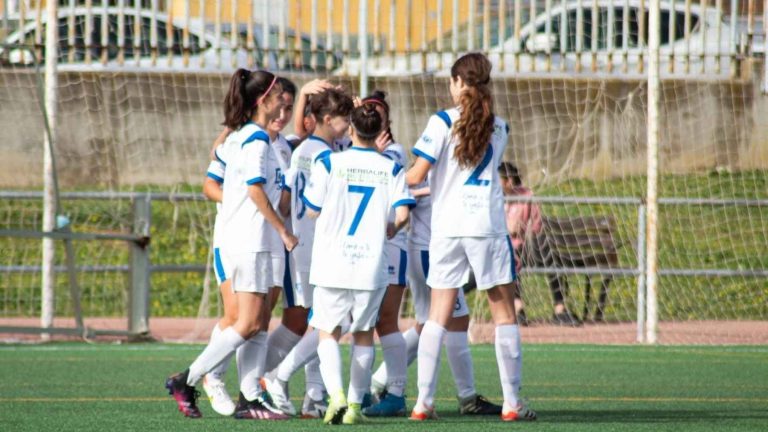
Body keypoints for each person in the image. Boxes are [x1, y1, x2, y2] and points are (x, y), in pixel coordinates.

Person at [405, 53, 536, 422]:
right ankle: (512, 403)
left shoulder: (442, 121)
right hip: (487, 226)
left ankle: (423, 403)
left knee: (437, 316)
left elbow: (415, 176)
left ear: (458, 83)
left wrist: (389, 174)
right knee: (504, 314)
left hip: (447, 228)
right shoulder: (501, 127)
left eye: (453, 81)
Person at [164, 69, 296, 420]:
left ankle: (250, 398)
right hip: (250, 240)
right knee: (248, 323)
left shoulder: (248, 138)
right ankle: (187, 379)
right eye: (278, 96)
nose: (283, 103)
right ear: (263, 100)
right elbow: (254, 190)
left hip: (257, 241)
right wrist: (283, 230)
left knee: (259, 322)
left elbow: (224, 156)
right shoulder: (254, 140)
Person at [302, 103, 413, 425]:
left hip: (332, 262)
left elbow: (312, 208)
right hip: (370, 264)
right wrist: (392, 228)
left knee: (328, 332)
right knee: (363, 334)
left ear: (351, 129)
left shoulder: (328, 162)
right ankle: (352, 406)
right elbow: (403, 214)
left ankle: (335, 395)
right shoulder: (391, 167)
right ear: (379, 132)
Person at [264, 87, 355, 417]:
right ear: (328, 119)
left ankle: (313, 396)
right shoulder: (327, 158)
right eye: (345, 119)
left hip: (303, 247)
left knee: (323, 321)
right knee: (334, 321)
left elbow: (286, 201)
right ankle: (276, 377)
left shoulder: (302, 150)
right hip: (320, 249)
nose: (349, 125)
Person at [353, 91, 410, 418]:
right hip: (363, 248)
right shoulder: (355, 151)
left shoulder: (394, 152)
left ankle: (397, 393)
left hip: (391, 245)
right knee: (362, 321)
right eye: (367, 110)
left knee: (386, 320)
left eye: (378, 111)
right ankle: (360, 391)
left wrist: (372, 149)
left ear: (386, 121)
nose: (373, 114)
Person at [499, 162, 581, 327]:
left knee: (552, 257)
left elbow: (536, 226)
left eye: (498, 179)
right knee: (510, 259)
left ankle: (560, 309)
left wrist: (523, 228)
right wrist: (506, 229)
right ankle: (518, 309)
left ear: (508, 180)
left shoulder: (527, 195)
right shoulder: (492, 198)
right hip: (504, 248)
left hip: (526, 246)